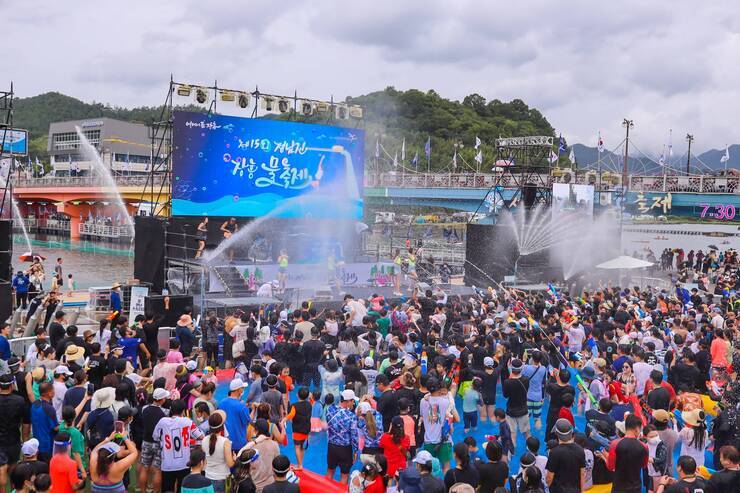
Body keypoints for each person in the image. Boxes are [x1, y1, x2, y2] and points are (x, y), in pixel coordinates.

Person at [153, 399, 205, 493]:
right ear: (183, 410)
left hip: (167, 464)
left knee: (167, 490)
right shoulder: (187, 422)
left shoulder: (162, 421)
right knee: (183, 489)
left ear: (171, 410)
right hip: (184, 463)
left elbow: (155, 437)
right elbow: (201, 437)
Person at [138, 387, 170, 493]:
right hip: (158, 443)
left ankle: (143, 491)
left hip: (146, 441)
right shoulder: (165, 412)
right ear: (162, 399)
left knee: (144, 467)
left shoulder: (144, 409)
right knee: (157, 470)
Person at [326, 389, 359, 484]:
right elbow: (354, 435)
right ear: (348, 401)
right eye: (353, 401)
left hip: (331, 446)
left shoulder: (329, 410)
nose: (353, 403)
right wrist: (356, 450)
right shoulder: (351, 416)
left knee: (329, 472)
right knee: (344, 476)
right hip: (345, 449)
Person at [545, 419, 586, 493]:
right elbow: (582, 474)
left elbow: (549, 478)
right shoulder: (580, 450)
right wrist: (582, 491)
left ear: (557, 434)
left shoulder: (554, 453)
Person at [201, 413, 234, 493]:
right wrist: (235, 459)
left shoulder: (204, 440)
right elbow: (230, 464)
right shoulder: (225, 442)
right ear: (222, 426)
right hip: (222, 478)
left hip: (208, 476)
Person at [218, 377, 251, 452]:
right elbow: (247, 422)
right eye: (242, 388)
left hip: (225, 442)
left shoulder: (222, 403)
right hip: (239, 443)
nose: (243, 390)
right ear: (239, 390)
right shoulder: (241, 406)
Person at [30, 382, 58, 462]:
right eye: (53, 390)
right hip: (47, 445)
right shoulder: (49, 408)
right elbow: (55, 428)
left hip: (36, 444)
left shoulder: (34, 404)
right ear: (49, 393)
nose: (54, 392)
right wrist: (65, 424)